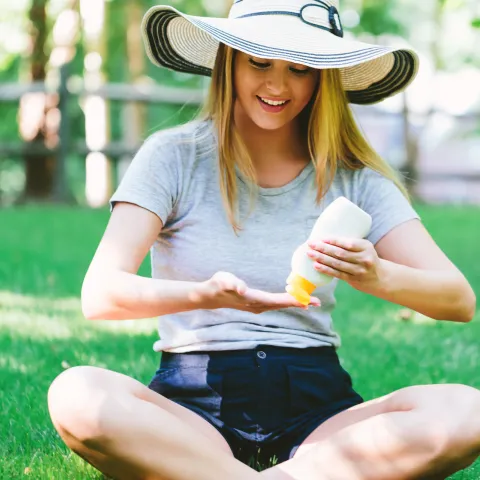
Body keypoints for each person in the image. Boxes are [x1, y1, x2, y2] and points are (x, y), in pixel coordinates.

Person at [47, 1, 479, 479]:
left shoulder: (356, 179)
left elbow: (457, 299)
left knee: (468, 413)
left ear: (322, 78)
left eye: (299, 68)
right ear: (229, 60)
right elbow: (100, 294)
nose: (277, 85)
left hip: (320, 413)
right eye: (259, 61)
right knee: (76, 394)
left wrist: (377, 274)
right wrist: (203, 293)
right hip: (193, 409)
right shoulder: (173, 157)